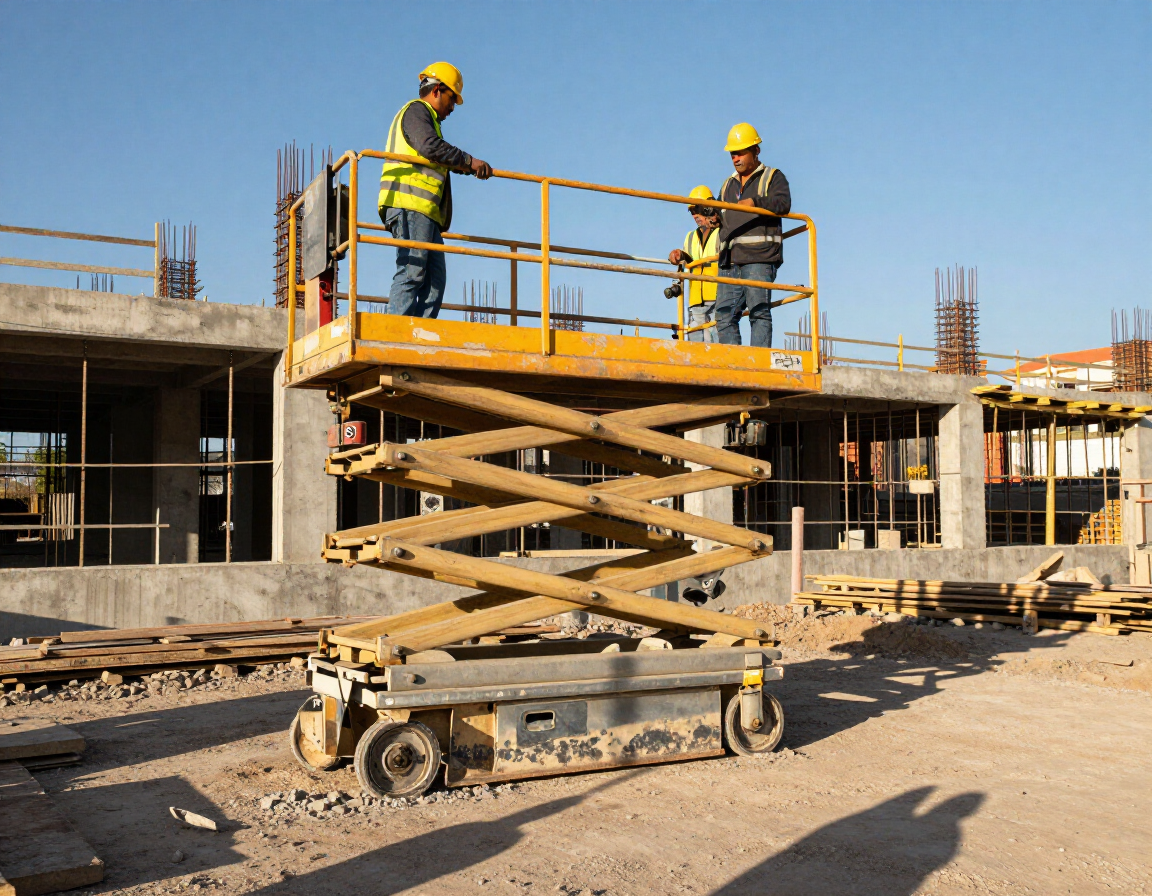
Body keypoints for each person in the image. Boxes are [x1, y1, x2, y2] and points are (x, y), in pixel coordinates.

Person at [378, 62, 493, 318]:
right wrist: (469, 161)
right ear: (438, 90)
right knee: (412, 270)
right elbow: (430, 147)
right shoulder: (417, 111)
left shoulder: (430, 120)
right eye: (453, 99)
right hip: (408, 204)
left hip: (425, 212)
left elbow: (436, 155)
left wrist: (466, 166)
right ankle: (395, 333)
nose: (453, 107)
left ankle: (420, 332)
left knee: (435, 282)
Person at [714, 123, 791, 347]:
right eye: (732, 154)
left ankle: (759, 367)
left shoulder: (772, 177)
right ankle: (735, 366)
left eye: (740, 152)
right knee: (724, 316)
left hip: (759, 257)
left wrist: (755, 202)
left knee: (759, 313)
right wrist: (715, 218)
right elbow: (723, 214)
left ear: (756, 150)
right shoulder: (728, 184)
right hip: (730, 260)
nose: (735, 158)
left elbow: (783, 203)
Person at [667, 186, 721, 342]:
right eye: (692, 211)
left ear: (709, 207)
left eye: (697, 208)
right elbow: (688, 260)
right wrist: (678, 255)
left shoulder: (722, 232)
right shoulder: (690, 237)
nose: (695, 215)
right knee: (695, 347)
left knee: (716, 348)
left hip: (717, 298)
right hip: (695, 301)